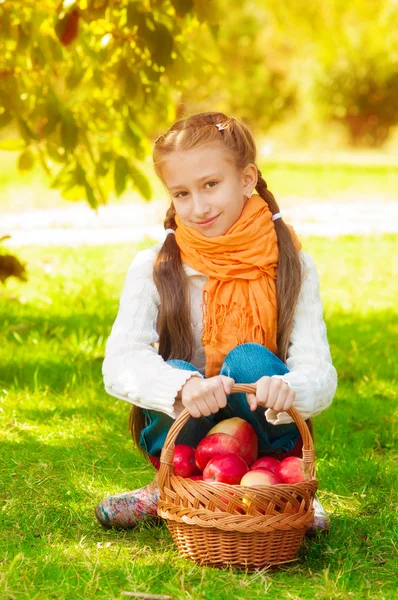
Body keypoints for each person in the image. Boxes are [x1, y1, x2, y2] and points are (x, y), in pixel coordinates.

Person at [96, 111, 337, 533]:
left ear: (246, 179)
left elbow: (319, 370)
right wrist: (183, 387)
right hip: (187, 433)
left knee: (250, 362)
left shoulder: (293, 265)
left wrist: (291, 388)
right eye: (182, 193)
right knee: (176, 371)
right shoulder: (155, 265)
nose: (198, 207)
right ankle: (168, 485)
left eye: (211, 185)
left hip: (264, 426)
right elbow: (120, 361)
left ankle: (284, 488)